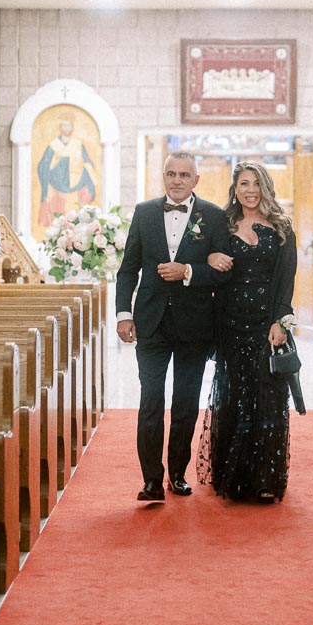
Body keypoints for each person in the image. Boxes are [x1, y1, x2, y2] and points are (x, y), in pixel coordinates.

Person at [115, 152, 231, 502]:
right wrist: (123, 313)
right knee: (150, 400)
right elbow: (128, 268)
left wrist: (190, 272)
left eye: (184, 175)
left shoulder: (213, 216)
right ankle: (151, 480)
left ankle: (177, 475)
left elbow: (225, 270)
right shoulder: (145, 211)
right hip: (150, 321)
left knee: (185, 403)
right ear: (163, 177)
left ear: (196, 180)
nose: (177, 180)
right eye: (171, 174)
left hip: (195, 323)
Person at [197, 162, 298, 503]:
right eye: (243, 183)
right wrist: (210, 256)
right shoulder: (222, 226)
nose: (250, 189)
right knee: (232, 396)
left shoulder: (283, 228)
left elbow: (286, 283)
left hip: (265, 325)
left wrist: (281, 322)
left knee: (268, 400)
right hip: (228, 322)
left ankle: (266, 480)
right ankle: (233, 477)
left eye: (256, 183)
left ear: (265, 187)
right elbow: (205, 263)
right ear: (235, 188)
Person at [36, 118, 96, 228]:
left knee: (84, 196)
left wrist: (91, 176)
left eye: (69, 125)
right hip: (57, 183)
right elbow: (43, 165)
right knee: (58, 207)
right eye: (64, 125)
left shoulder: (77, 144)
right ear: (60, 128)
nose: (66, 128)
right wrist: (53, 168)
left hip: (76, 181)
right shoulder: (54, 145)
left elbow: (87, 161)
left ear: (72, 127)